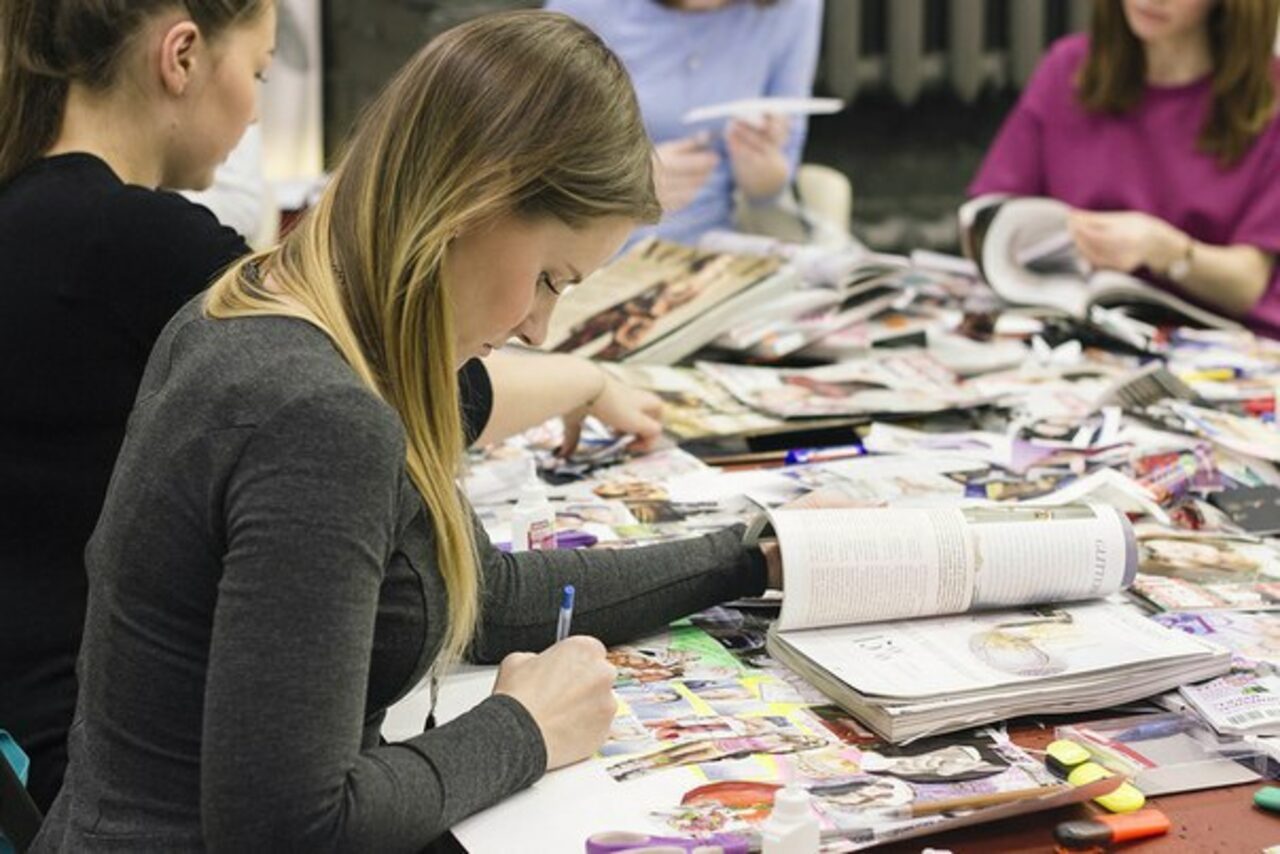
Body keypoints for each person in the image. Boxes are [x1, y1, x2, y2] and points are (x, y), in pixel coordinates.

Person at [32, 11, 778, 851]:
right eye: (546, 279)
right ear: (475, 203)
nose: (540, 326)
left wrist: (748, 557)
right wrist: (523, 728)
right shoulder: (319, 414)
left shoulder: (294, 314)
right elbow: (292, 826)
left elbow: (480, 594)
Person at [969, 0, 1280, 338]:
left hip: (1215, 343)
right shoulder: (1069, 67)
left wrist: (1166, 251)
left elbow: (1247, 284)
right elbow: (988, 216)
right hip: (1075, 331)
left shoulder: (1269, 98)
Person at [545, 0, 824, 246]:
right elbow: (535, 164)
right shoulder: (586, 7)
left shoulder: (793, 8)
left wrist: (763, 176)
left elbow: (783, 166)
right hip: (599, 247)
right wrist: (623, 186)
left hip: (721, 246)